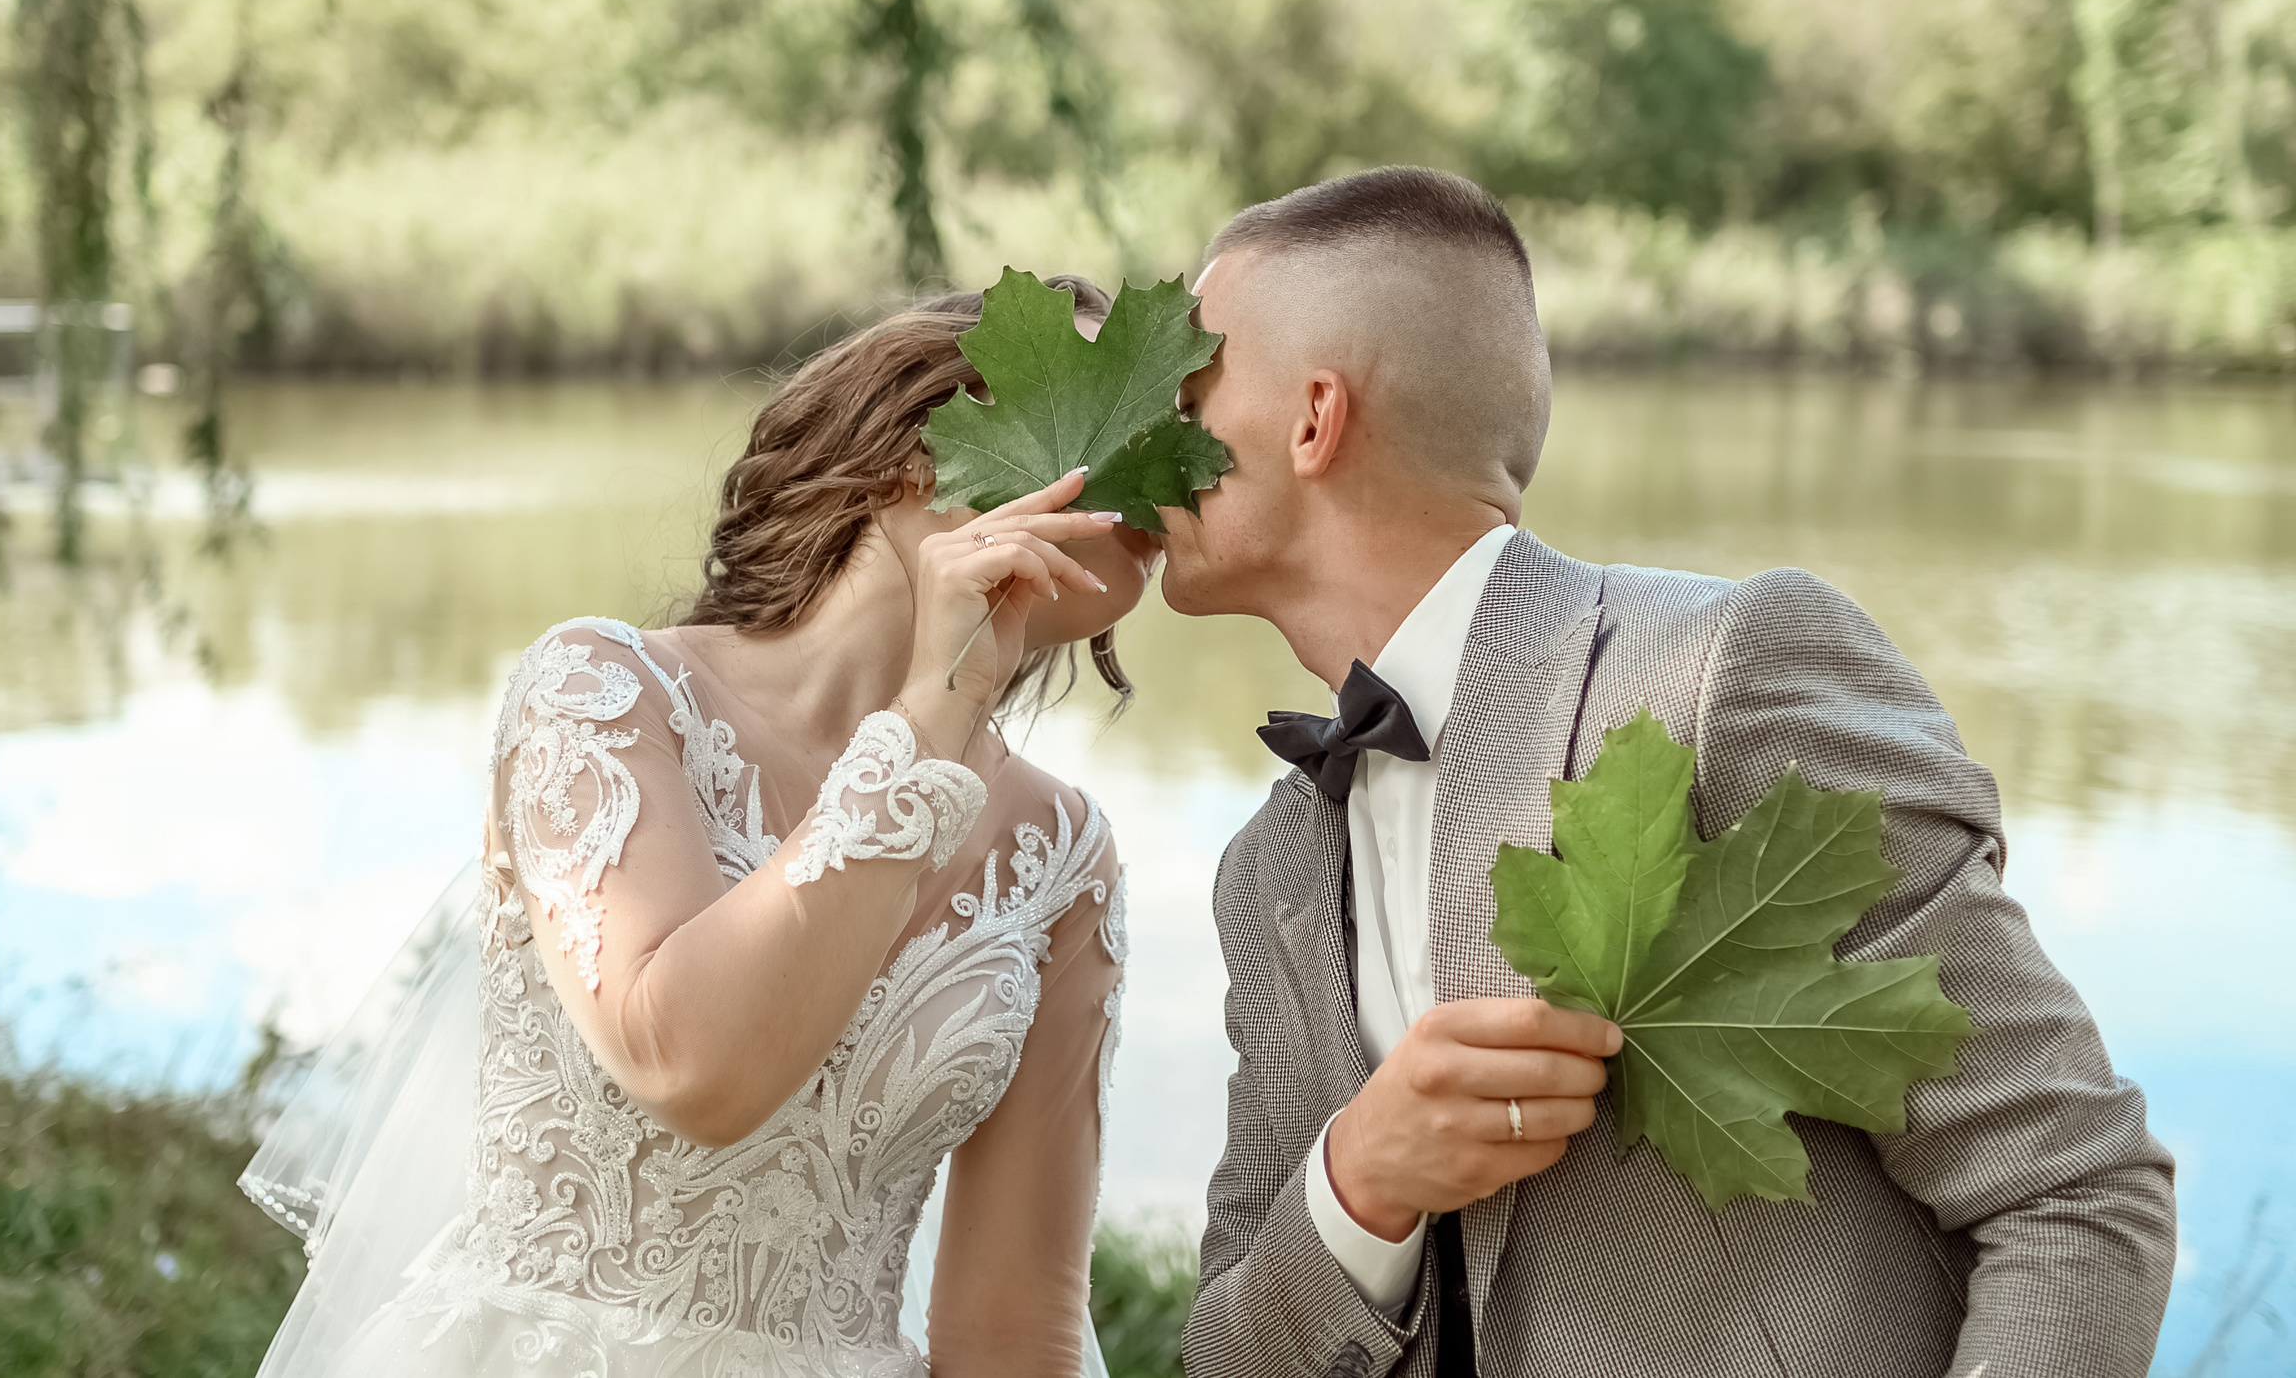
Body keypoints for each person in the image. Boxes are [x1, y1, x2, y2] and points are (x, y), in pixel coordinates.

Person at [1161, 168, 2176, 1378]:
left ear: (1313, 417)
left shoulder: (1717, 675)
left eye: (1189, 393)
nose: (1148, 440)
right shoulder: (1267, 868)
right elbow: (1228, 1355)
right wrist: (1357, 1184)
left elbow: (2077, 1198)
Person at [241, 281, 1142, 1378]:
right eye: (1115, 417)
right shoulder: (603, 692)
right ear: (925, 448)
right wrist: (934, 712)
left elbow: (1015, 1327)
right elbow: (689, 1061)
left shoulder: (1059, 851)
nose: (1171, 473)